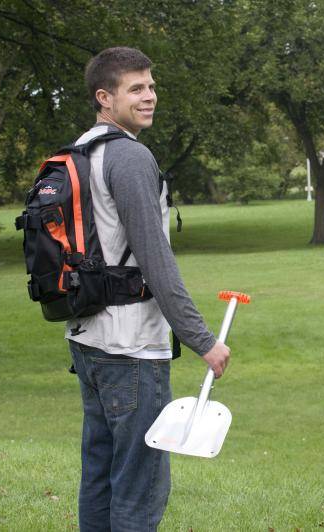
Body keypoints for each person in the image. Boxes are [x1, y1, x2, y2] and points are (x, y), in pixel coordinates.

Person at [67, 47, 231, 532]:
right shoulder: (130, 157)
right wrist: (203, 340)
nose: (149, 96)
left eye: (151, 86)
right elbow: (155, 259)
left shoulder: (82, 150)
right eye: (135, 88)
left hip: (87, 339)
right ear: (105, 97)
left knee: (99, 475)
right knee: (140, 483)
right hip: (131, 348)